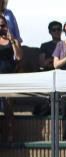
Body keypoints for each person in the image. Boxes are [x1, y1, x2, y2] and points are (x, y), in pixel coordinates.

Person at [0, 13, 21, 144]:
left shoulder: (13, 41)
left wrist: (12, 40)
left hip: (8, 78)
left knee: (8, 108)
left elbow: (18, 57)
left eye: (3, 25)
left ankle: (10, 136)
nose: (1, 28)